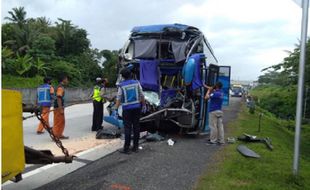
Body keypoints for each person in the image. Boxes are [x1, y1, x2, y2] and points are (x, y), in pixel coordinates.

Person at [114, 68, 146, 154]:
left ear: (123, 77)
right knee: (136, 127)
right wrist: (143, 105)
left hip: (127, 109)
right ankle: (135, 147)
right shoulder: (136, 83)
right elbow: (142, 95)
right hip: (137, 108)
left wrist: (116, 108)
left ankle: (126, 149)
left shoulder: (121, 85)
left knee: (127, 128)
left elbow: (119, 98)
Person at [52, 75, 69, 139]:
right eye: (66, 79)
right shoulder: (60, 88)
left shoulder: (61, 87)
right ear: (63, 80)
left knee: (61, 122)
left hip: (60, 107)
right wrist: (60, 108)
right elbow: (59, 98)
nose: (67, 81)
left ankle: (59, 134)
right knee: (58, 122)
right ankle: (56, 135)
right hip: (58, 107)